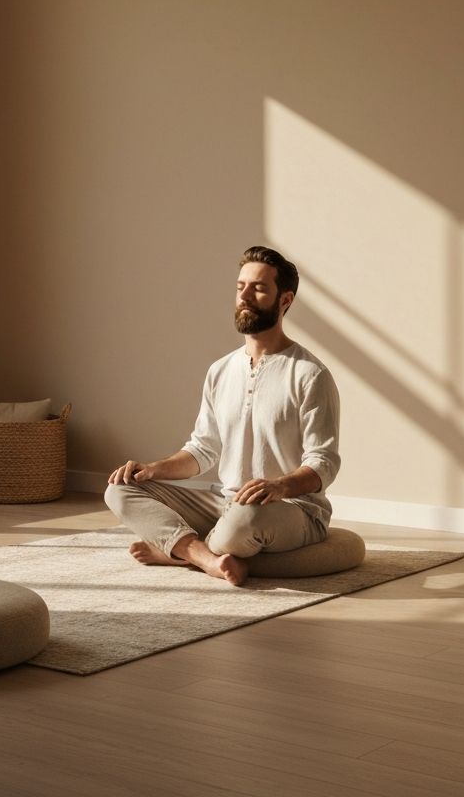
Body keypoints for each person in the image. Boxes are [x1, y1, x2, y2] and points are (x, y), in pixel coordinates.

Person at [105, 245, 341, 587]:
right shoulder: (221, 371)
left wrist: (279, 486)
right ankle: (203, 557)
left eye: (258, 288)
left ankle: (177, 551)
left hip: (292, 510)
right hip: (225, 502)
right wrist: (153, 469)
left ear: (285, 301)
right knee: (119, 489)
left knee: (243, 520)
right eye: (240, 286)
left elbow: (324, 463)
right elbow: (203, 450)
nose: (245, 296)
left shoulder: (309, 374)